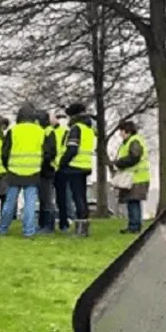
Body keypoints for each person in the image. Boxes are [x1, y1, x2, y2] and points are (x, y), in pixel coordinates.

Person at [0, 103, 55, 237]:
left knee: (10, 202)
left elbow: (4, 152)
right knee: (30, 203)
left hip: (14, 171)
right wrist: (39, 162)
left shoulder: (13, 130)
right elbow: (47, 152)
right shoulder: (40, 131)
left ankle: (3, 228)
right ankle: (29, 231)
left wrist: (7, 166)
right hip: (33, 171)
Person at [58, 102, 97, 237]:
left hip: (74, 166)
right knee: (82, 197)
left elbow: (72, 149)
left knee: (78, 197)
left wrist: (62, 163)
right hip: (85, 165)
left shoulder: (76, 128)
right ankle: (84, 227)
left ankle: (81, 229)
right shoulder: (89, 129)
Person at [112, 120, 150, 234]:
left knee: (133, 202)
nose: (120, 134)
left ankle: (134, 227)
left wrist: (119, 163)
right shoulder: (133, 141)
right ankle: (134, 225)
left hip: (136, 177)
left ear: (127, 131)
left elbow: (134, 157)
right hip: (136, 177)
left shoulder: (134, 141)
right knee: (132, 202)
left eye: (121, 131)